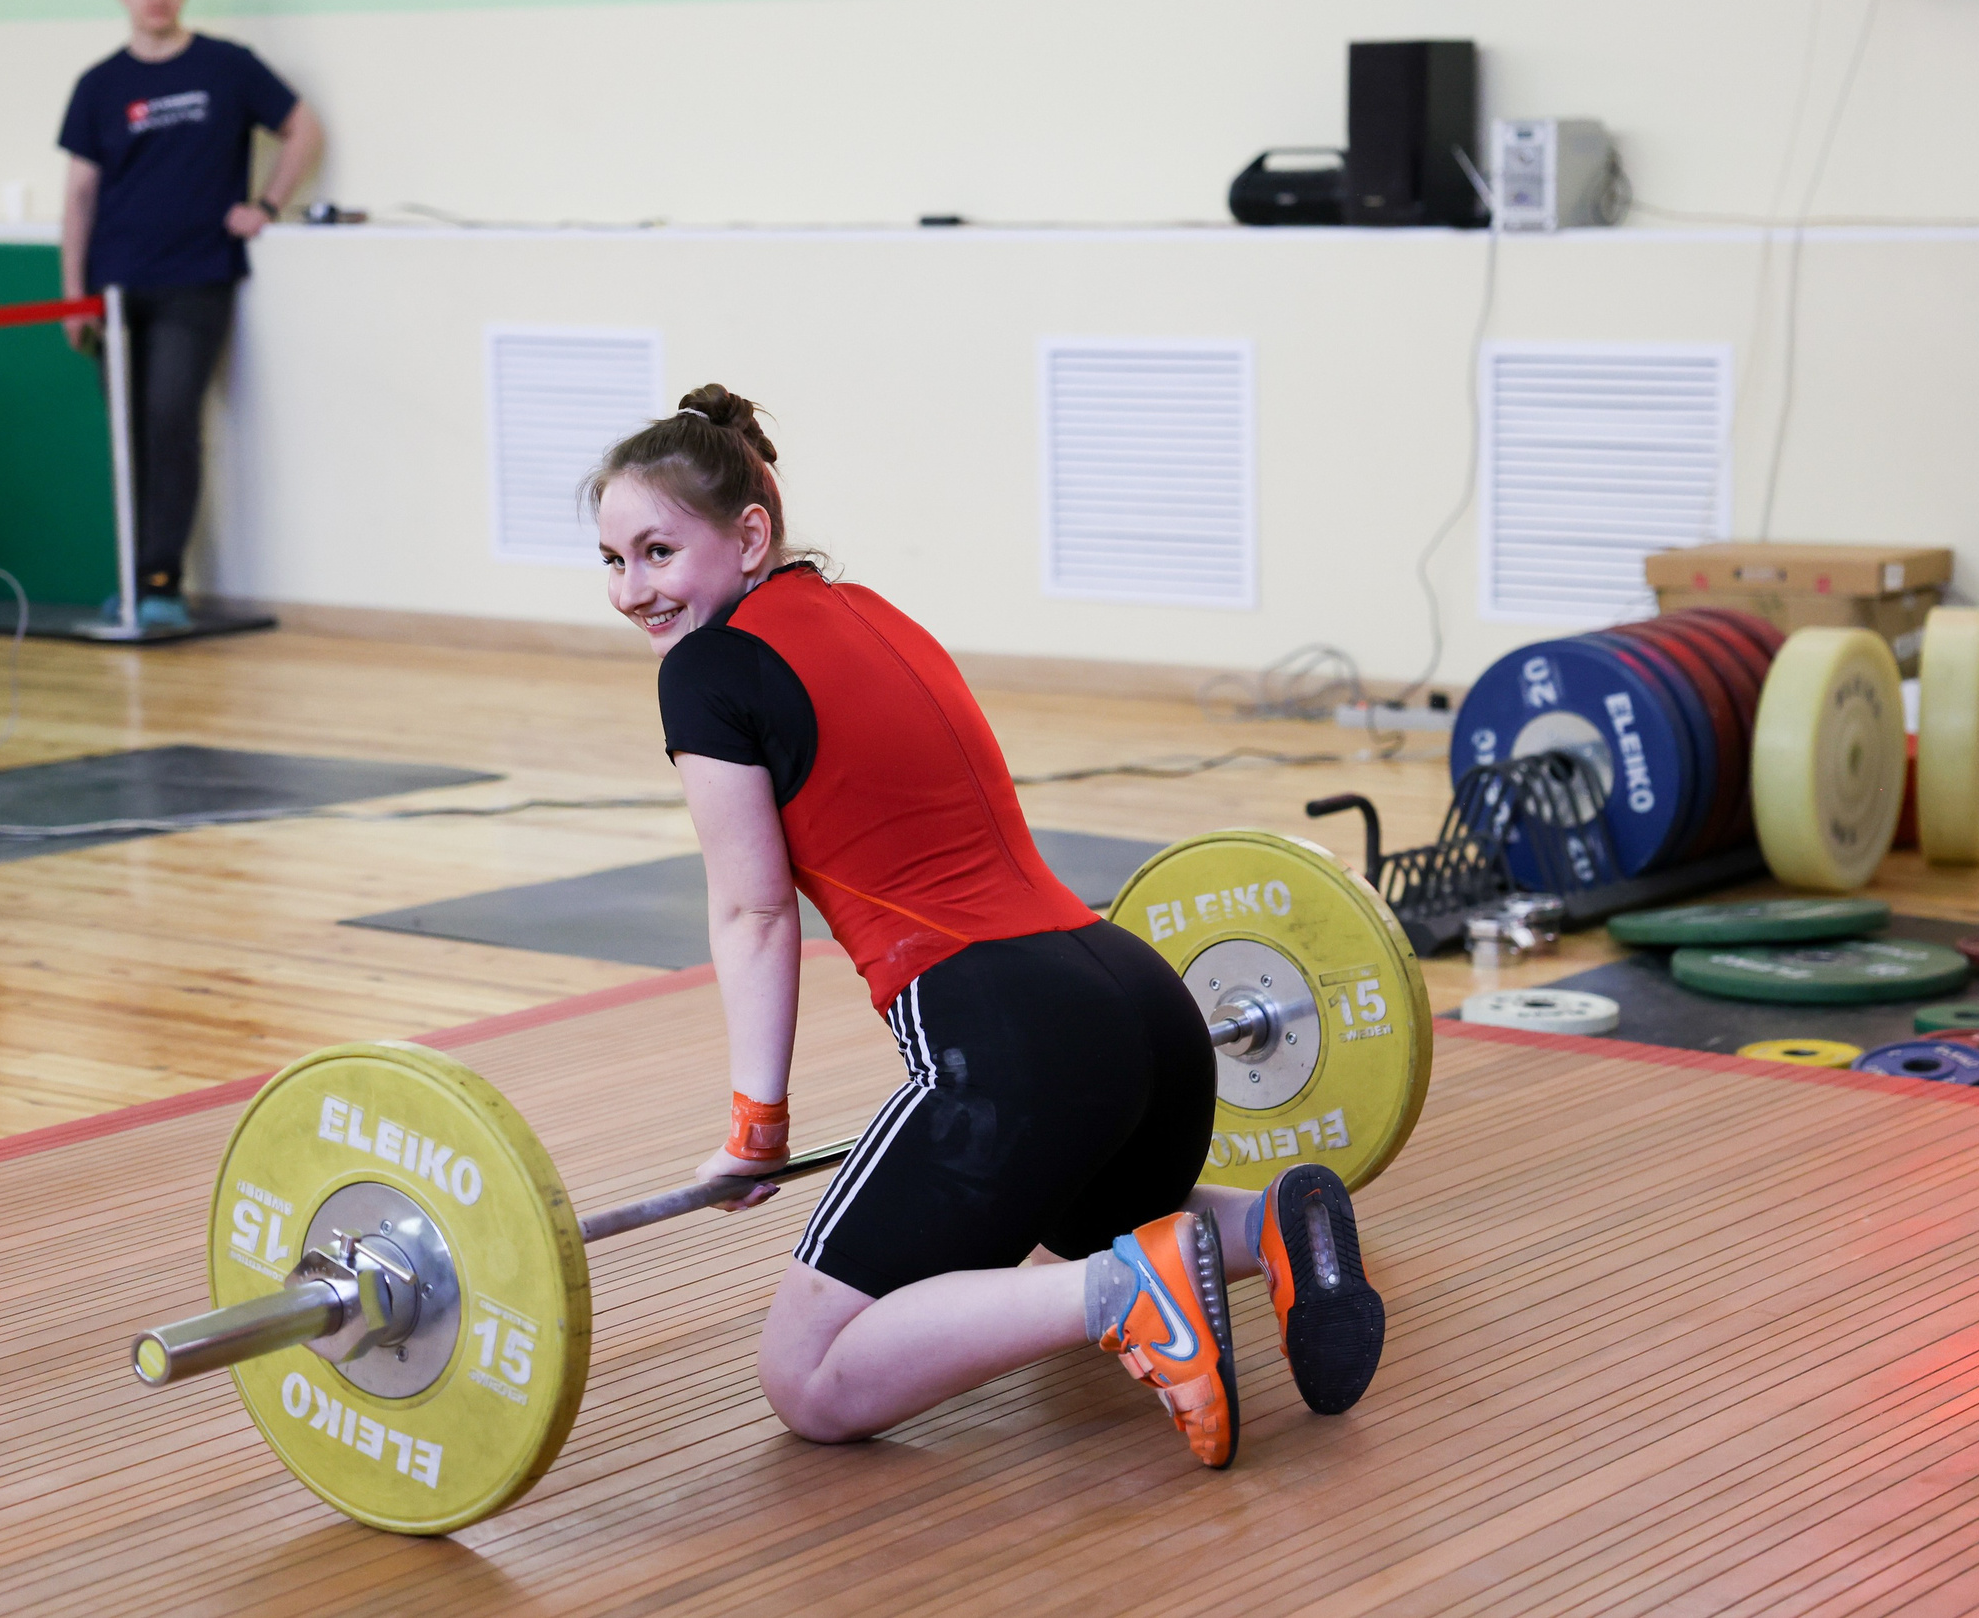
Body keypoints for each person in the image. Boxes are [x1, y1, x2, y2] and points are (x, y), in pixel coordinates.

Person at [588, 385, 1389, 1466]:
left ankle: (1126, 1290)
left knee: (809, 1380)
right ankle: (1272, 1224)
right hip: (1143, 1011)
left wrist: (755, 1123)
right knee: (1067, 1206)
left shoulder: (707, 669)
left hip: (1013, 1037)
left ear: (748, 534)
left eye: (656, 551)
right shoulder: (872, 610)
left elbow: (752, 908)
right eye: (613, 559)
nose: (633, 588)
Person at [58, 0, 323, 629]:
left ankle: (160, 579)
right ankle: (127, 570)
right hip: (113, 289)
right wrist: (72, 294)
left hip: (197, 278)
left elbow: (303, 127)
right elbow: (79, 196)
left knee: (171, 420)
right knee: (127, 430)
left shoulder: (225, 66)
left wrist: (265, 205)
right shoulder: (99, 85)